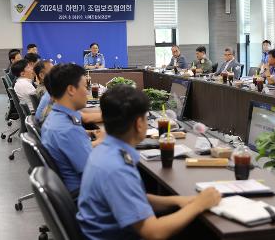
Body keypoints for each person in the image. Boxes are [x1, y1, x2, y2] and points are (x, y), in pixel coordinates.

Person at [77, 85, 221, 240]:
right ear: (139, 124)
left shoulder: (105, 150)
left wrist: (177, 200)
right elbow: (153, 232)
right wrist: (198, 205)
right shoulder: (117, 168)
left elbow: (136, 198)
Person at [41, 63, 104, 194]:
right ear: (71, 89)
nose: (87, 92)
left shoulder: (55, 118)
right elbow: (96, 172)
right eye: (85, 87)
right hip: (87, 195)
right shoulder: (67, 129)